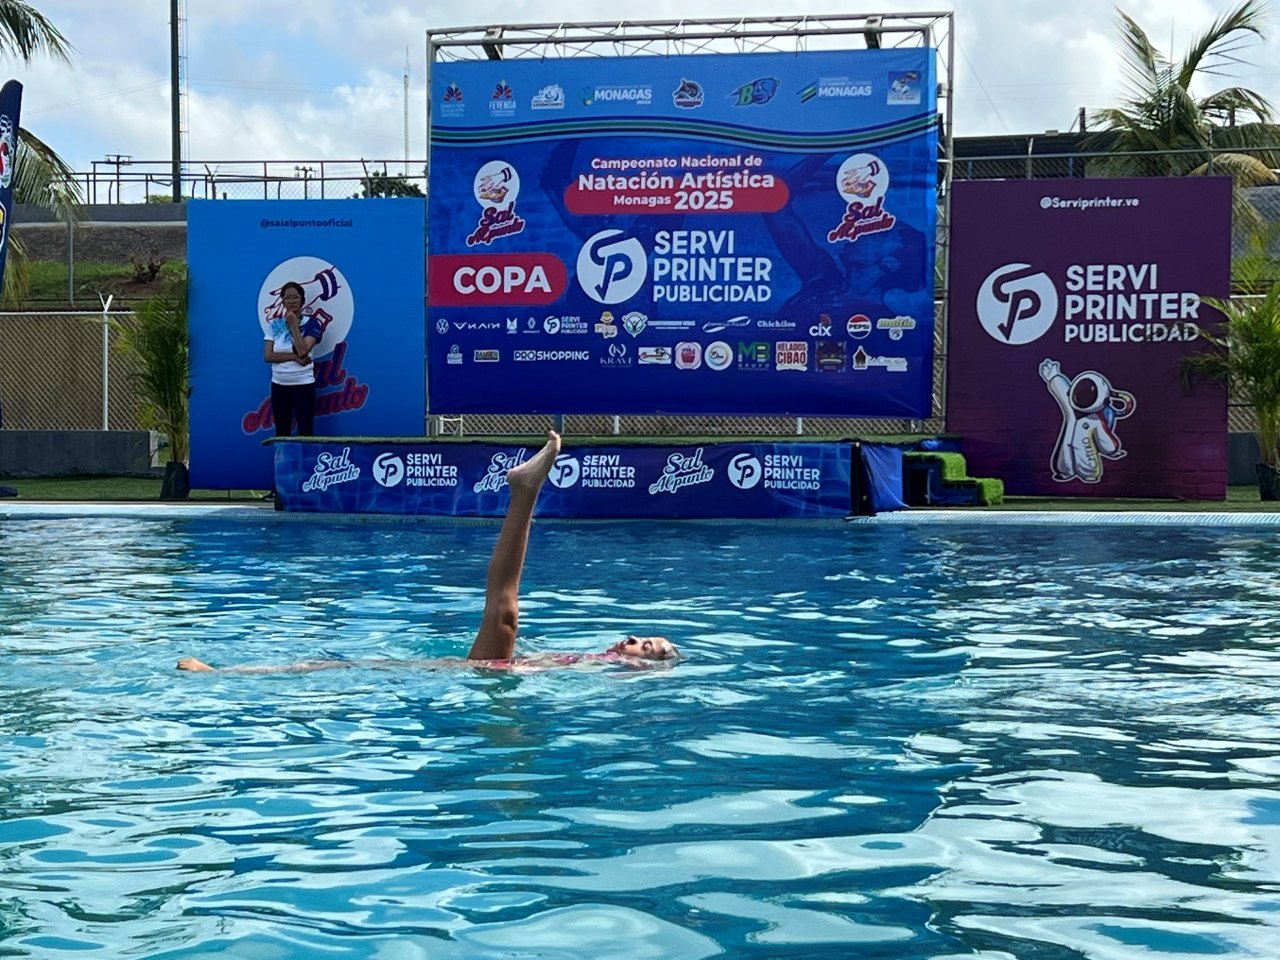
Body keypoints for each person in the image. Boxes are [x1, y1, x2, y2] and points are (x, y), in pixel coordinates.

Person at [177, 431, 679, 674]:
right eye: (644, 637)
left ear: (646, 669)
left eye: (649, 648)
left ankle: (525, 491)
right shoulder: (598, 659)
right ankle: (221, 675)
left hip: (486, 676)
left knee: (503, 614)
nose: (636, 640)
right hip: (486, 675)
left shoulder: (615, 675)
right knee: (344, 668)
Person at [262, 281, 323, 499]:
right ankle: (280, 486)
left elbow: (304, 349)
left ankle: (307, 482)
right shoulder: (275, 325)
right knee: (282, 433)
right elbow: (268, 355)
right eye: (287, 297)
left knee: (305, 433)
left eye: (295, 297)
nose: (291, 301)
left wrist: (295, 325)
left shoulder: (312, 323)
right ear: (282, 301)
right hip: (280, 385)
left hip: (303, 385)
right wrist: (294, 358)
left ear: (302, 300)